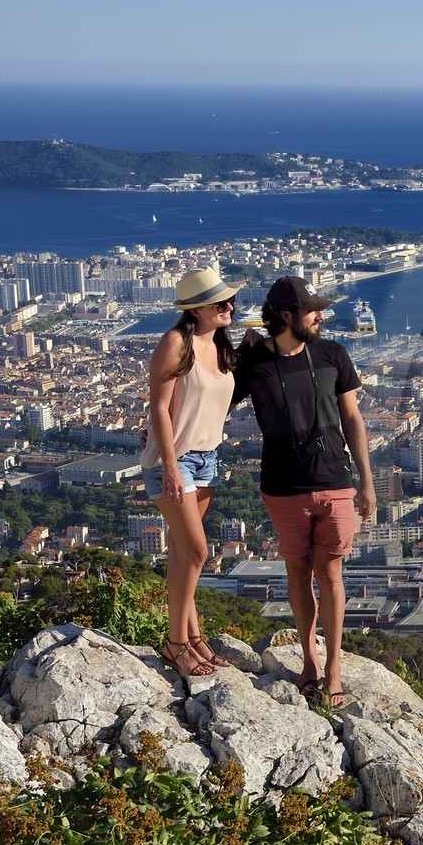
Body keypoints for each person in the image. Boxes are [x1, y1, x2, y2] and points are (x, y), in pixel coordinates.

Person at [233, 276, 374, 707]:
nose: (321, 315)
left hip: (334, 480)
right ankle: (308, 659)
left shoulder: (332, 354)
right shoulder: (254, 363)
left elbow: (352, 418)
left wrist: (366, 481)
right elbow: (212, 397)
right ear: (286, 316)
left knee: (330, 573)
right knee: (296, 571)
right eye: (312, 309)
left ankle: (333, 667)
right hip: (283, 485)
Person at [142, 267, 240, 676]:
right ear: (196, 310)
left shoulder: (221, 347)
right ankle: (175, 644)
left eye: (229, 301)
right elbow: (159, 408)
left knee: (184, 554)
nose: (229, 306)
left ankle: (194, 638)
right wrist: (168, 466)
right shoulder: (175, 342)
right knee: (198, 551)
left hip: (208, 458)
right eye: (219, 303)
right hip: (175, 460)